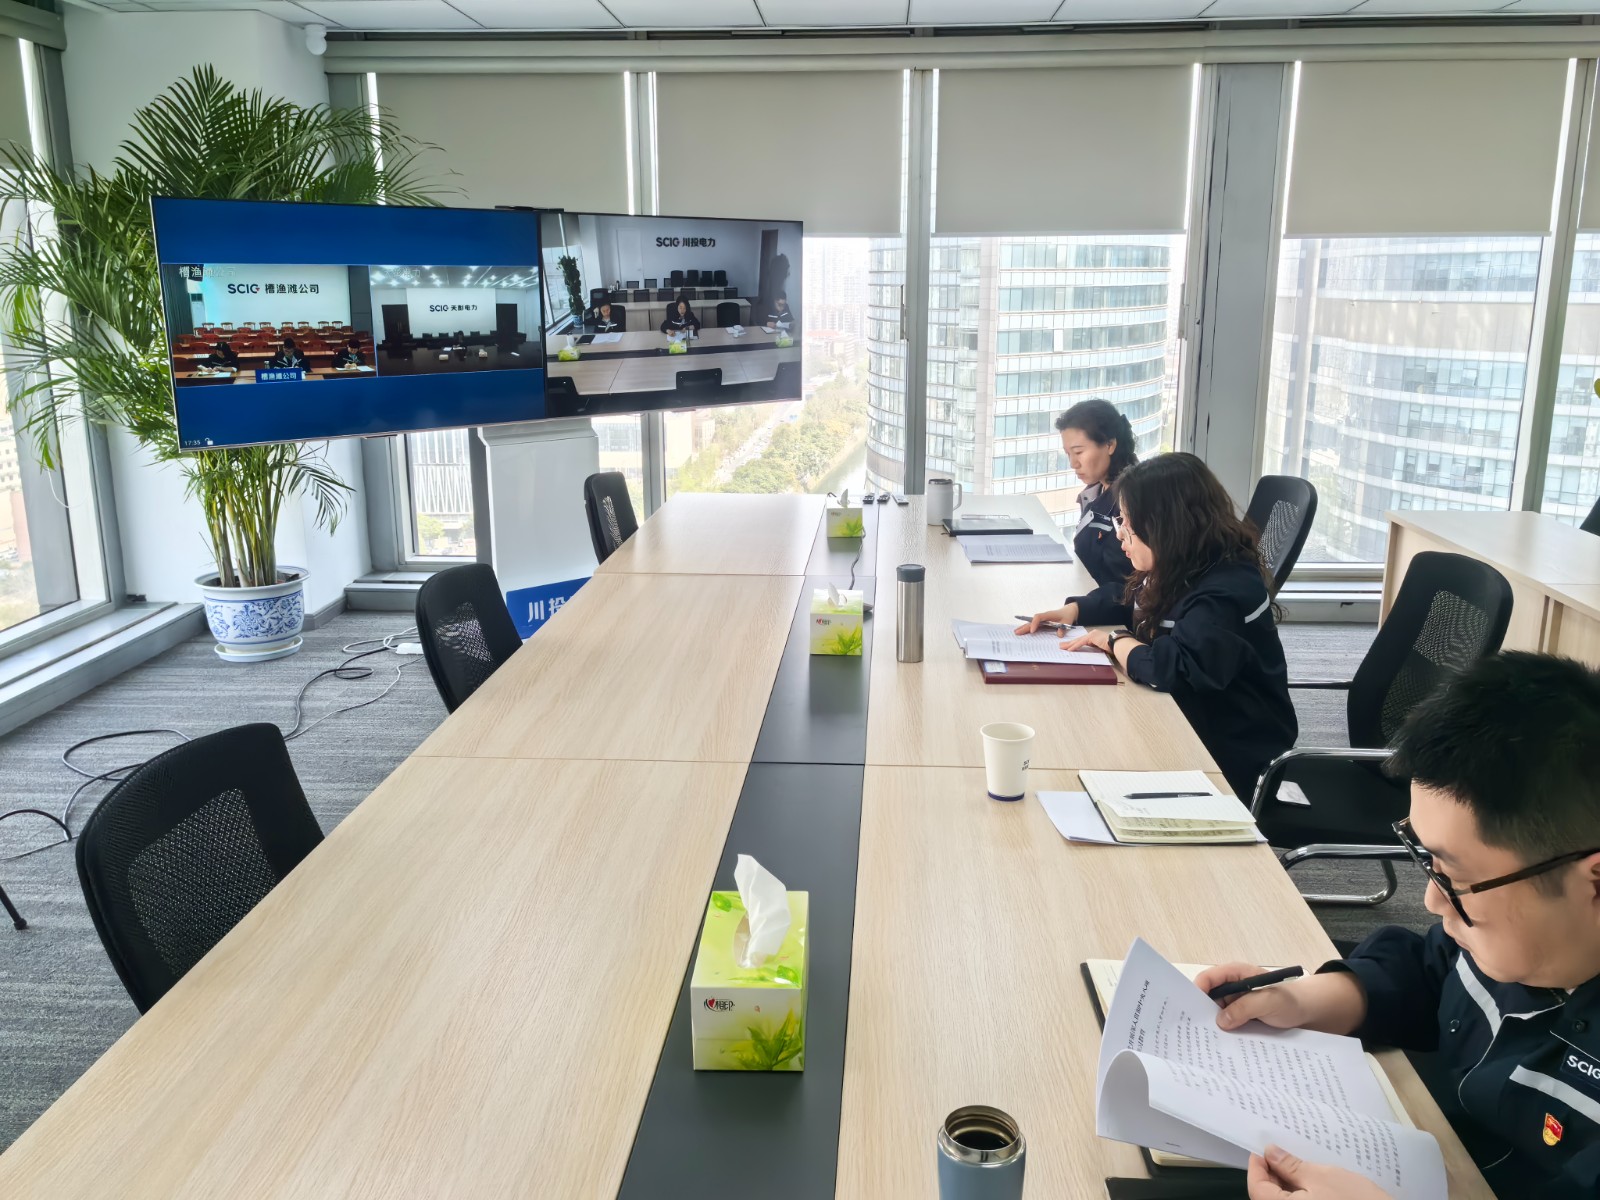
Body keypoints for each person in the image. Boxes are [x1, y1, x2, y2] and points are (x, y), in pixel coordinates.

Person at [1198, 652, 1600, 1200]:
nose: (1432, 900)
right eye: (1427, 861)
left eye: (1457, 877)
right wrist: (1306, 1000)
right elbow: (1429, 971)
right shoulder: (1509, 939)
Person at [1016, 452, 1296, 799]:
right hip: (1187, 720)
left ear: (1167, 528)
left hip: (1227, 754)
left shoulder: (1224, 593)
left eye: (1129, 526)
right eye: (1121, 520)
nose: (1121, 535)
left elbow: (1171, 669)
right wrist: (1075, 610)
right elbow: (1132, 597)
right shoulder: (1184, 562)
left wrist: (1115, 641)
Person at [1055, 398, 1137, 590]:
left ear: (1110, 445)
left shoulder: (1131, 500)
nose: (1073, 464)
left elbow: (1125, 584)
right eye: (1068, 454)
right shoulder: (1096, 491)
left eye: (1078, 452)